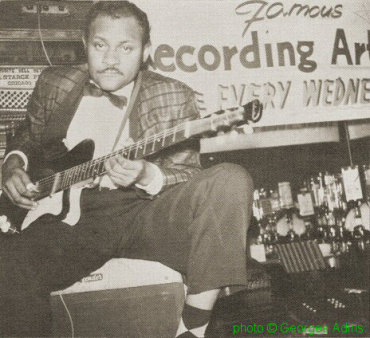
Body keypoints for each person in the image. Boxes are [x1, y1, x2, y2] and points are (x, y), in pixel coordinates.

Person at [0, 1, 253, 337]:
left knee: (231, 180)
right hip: (70, 223)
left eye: (126, 47)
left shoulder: (173, 94)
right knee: (8, 263)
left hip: (142, 213)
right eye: (100, 45)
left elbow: (189, 173)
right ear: (84, 44)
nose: (111, 59)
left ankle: (193, 326)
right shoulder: (54, 82)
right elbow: (28, 136)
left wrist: (147, 174)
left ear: (146, 51)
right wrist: (13, 165)